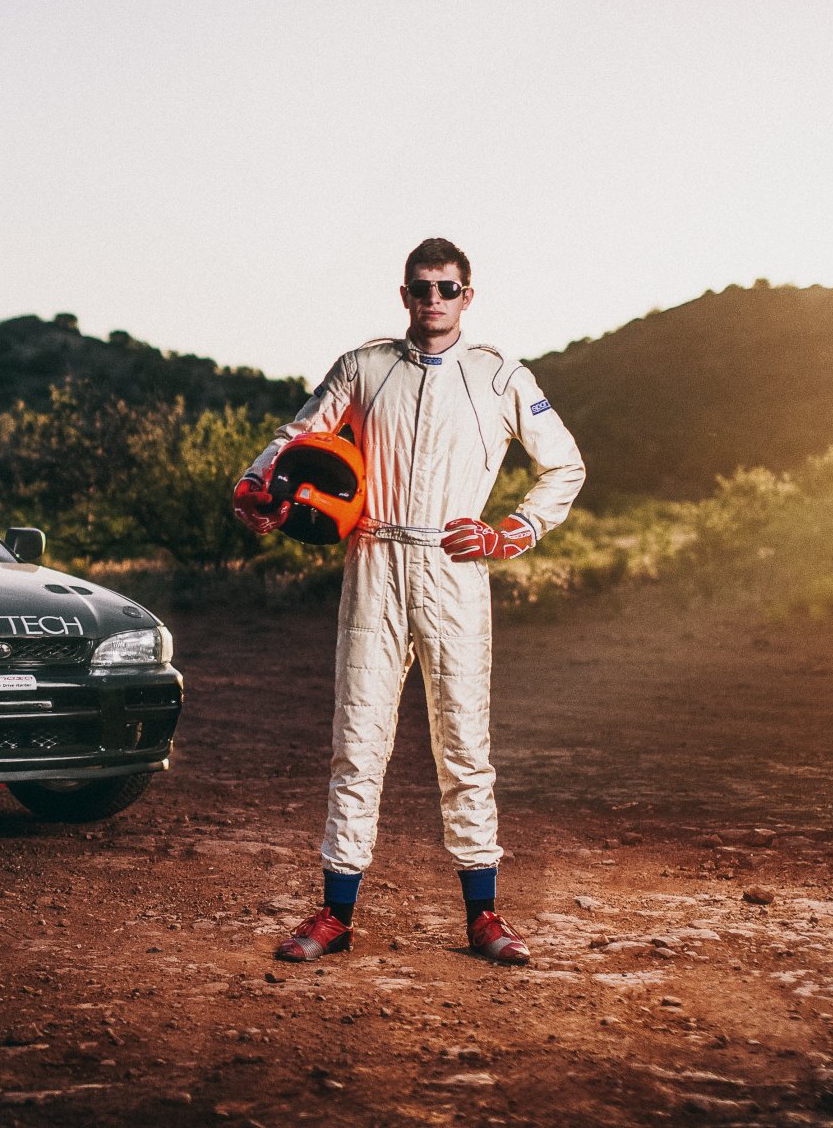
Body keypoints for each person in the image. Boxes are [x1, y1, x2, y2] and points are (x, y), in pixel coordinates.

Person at [233, 238, 586, 964]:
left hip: (455, 565)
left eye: (447, 288)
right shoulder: (363, 367)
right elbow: (296, 437)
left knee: (464, 746)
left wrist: (511, 531)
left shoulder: (500, 376)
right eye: (421, 288)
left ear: (467, 296)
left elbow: (565, 465)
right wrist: (257, 486)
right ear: (404, 295)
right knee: (357, 742)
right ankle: (336, 916)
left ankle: (484, 917)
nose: (434, 300)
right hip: (374, 559)